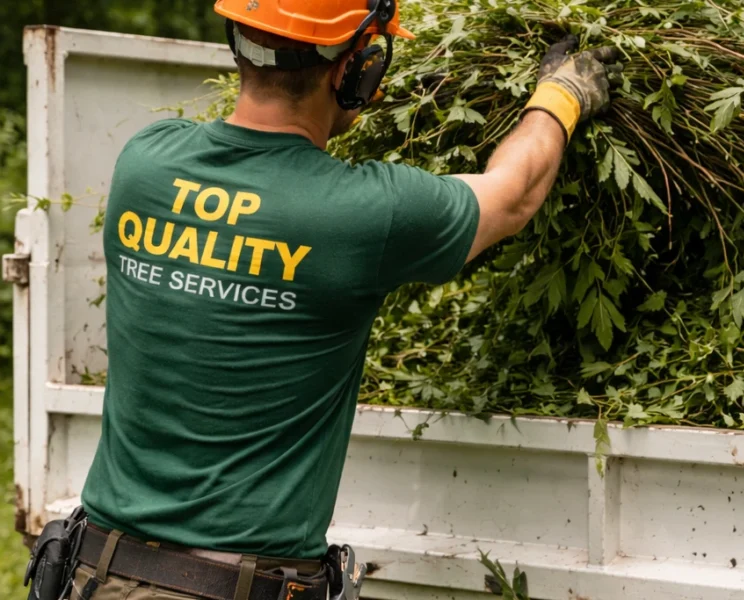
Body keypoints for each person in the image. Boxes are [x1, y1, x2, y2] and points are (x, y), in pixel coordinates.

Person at [67, 1, 624, 598]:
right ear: (355, 70)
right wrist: (562, 96)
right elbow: (512, 196)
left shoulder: (145, 160)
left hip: (92, 572)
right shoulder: (362, 214)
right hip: (227, 586)